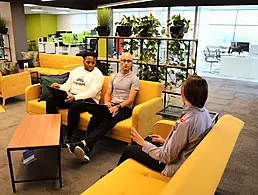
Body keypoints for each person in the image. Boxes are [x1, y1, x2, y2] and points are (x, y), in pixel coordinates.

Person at [116, 75, 213, 177]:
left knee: (129, 149)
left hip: (169, 165)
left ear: (185, 93)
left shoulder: (187, 122)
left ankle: (114, 177)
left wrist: (142, 142)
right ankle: (123, 174)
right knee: (149, 139)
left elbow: (165, 157)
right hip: (179, 156)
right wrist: (165, 141)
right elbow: (187, 142)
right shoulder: (204, 113)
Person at [67, 52, 139, 162]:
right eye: (123, 61)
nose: (126, 63)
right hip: (112, 105)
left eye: (128, 61)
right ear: (120, 62)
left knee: (108, 119)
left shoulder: (134, 79)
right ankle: (86, 149)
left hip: (125, 108)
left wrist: (118, 107)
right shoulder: (114, 76)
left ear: (132, 63)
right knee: (96, 116)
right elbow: (108, 93)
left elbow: (130, 100)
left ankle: (83, 143)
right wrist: (106, 103)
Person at [46, 51, 104, 143]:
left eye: (93, 63)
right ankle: (54, 130)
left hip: (90, 100)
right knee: (50, 100)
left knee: (75, 106)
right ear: (83, 61)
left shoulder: (98, 75)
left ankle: (69, 135)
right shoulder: (76, 70)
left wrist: (75, 97)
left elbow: (92, 93)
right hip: (73, 96)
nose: (91, 65)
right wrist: (59, 87)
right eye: (88, 62)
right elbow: (67, 86)